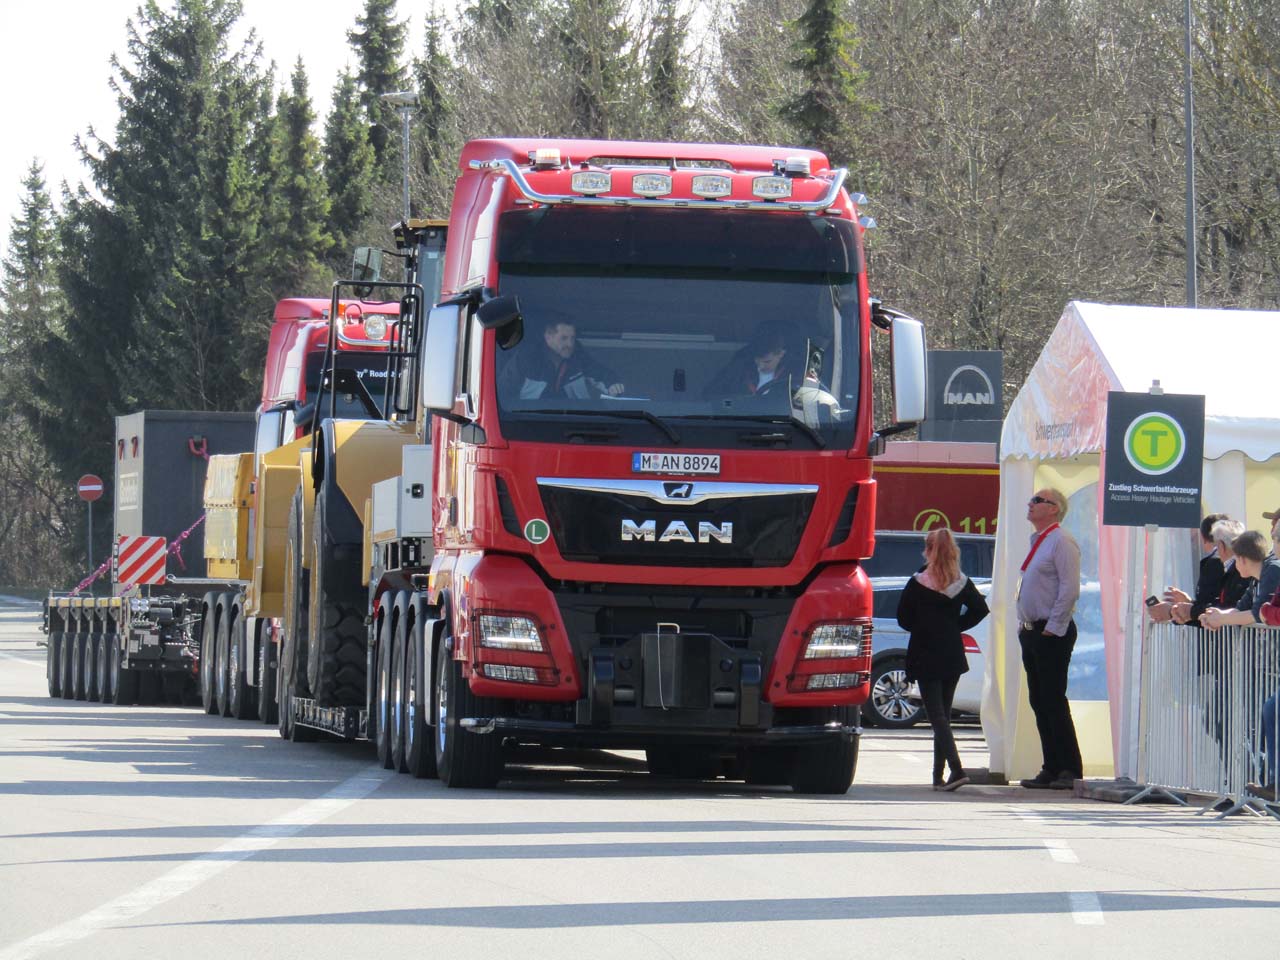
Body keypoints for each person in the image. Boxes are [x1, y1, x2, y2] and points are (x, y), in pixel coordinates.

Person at [895, 527, 989, 791]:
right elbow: (980, 609)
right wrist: (953, 626)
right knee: (943, 715)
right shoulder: (961, 581)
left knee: (936, 716)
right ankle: (938, 775)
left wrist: (926, 625)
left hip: (925, 651)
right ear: (954, 551)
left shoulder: (917, 582)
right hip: (951, 652)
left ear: (928, 550)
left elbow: (904, 618)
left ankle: (956, 769)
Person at [1016, 488, 1083, 790]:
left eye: (1038, 500)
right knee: (1039, 701)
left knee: (1054, 700)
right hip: (1032, 630)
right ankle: (1051, 766)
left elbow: (1069, 588)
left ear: (1054, 509)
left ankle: (1069, 767)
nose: (1030, 504)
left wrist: (1053, 626)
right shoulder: (1039, 541)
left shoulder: (1062, 541)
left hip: (1050, 631)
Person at [498, 320, 624, 401]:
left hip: (571, 421)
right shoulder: (526, 359)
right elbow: (502, 394)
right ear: (548, 336)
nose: (570, 344)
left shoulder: (577, 355)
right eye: (564, 338)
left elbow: (599, 372)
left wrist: (613, 383)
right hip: (529, 422)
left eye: (572, 338)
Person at [1148, 513, 1227, 623]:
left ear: (1203, 537)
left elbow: (1215, 610)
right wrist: (1189, 603)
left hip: (1217, 636)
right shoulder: (1215, 562)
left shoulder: (1214, 563)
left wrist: (1172, 611)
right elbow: (1211, 606)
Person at [1170, 518, 1247, 623]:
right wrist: (1190, 606)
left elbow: (1228, 607)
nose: (1215, 551)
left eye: (1216, 545)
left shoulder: (1239, 571)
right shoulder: (1231, 568)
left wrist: (1191, 610)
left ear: (1221, 545)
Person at [1199, 530, 1279, 630]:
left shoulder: (1272, 570)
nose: (1235, 565)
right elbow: (1240, 609)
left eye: (1235, 560)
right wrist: (1216, 615)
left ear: (1242, 559)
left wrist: (1221, 619)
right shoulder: (1256, 578)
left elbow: (1258, 613)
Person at [704, 323, 804, 398]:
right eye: (757, 361)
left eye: (767, 361)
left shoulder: (797, 374)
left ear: (781, 354)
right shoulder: (739, 367)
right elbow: (710, 394)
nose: (760, 366)